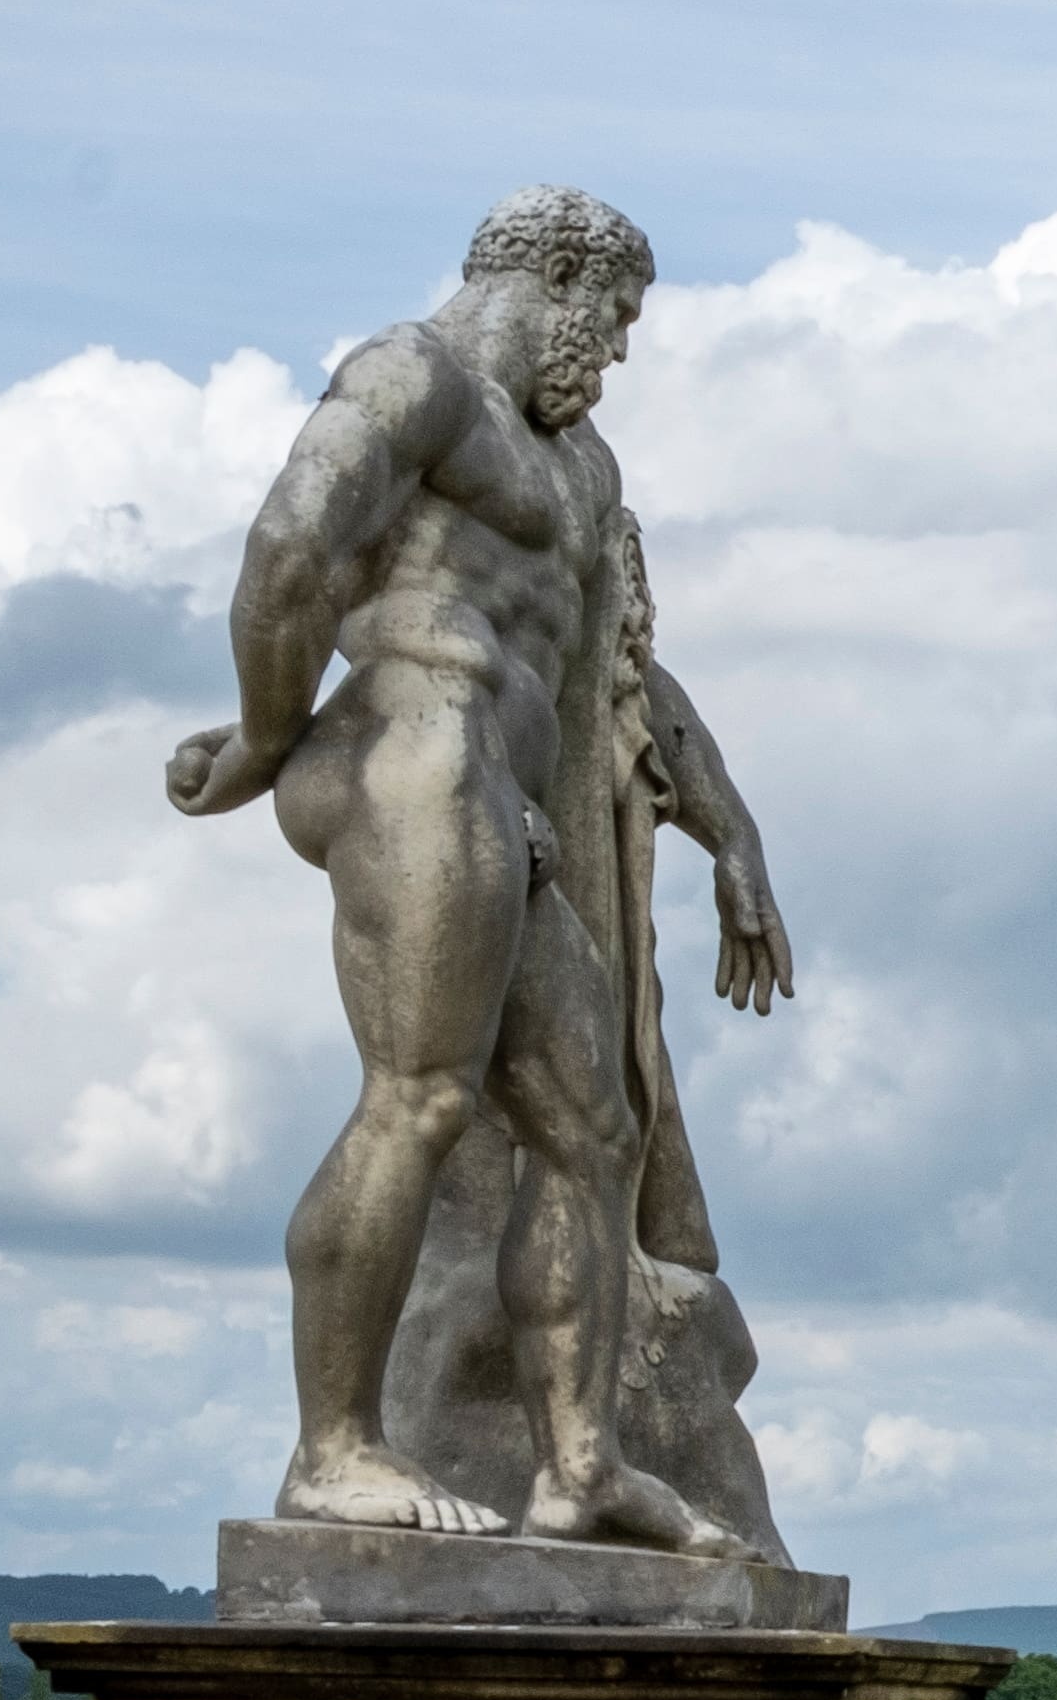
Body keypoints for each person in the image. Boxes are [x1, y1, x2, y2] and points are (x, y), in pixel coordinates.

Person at [173, 189, 762, 1549]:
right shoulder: (412, 377)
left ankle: (578, 1470)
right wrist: (266, 736)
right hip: (412, 751)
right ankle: (332, 1452)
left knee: (593, 1132)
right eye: (614, 318)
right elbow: (289, 549)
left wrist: (729, 836)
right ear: (554, 276)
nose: (616, 350)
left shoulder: (581, 467)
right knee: (420, 1100)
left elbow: (616, 671)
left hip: (505, 799)